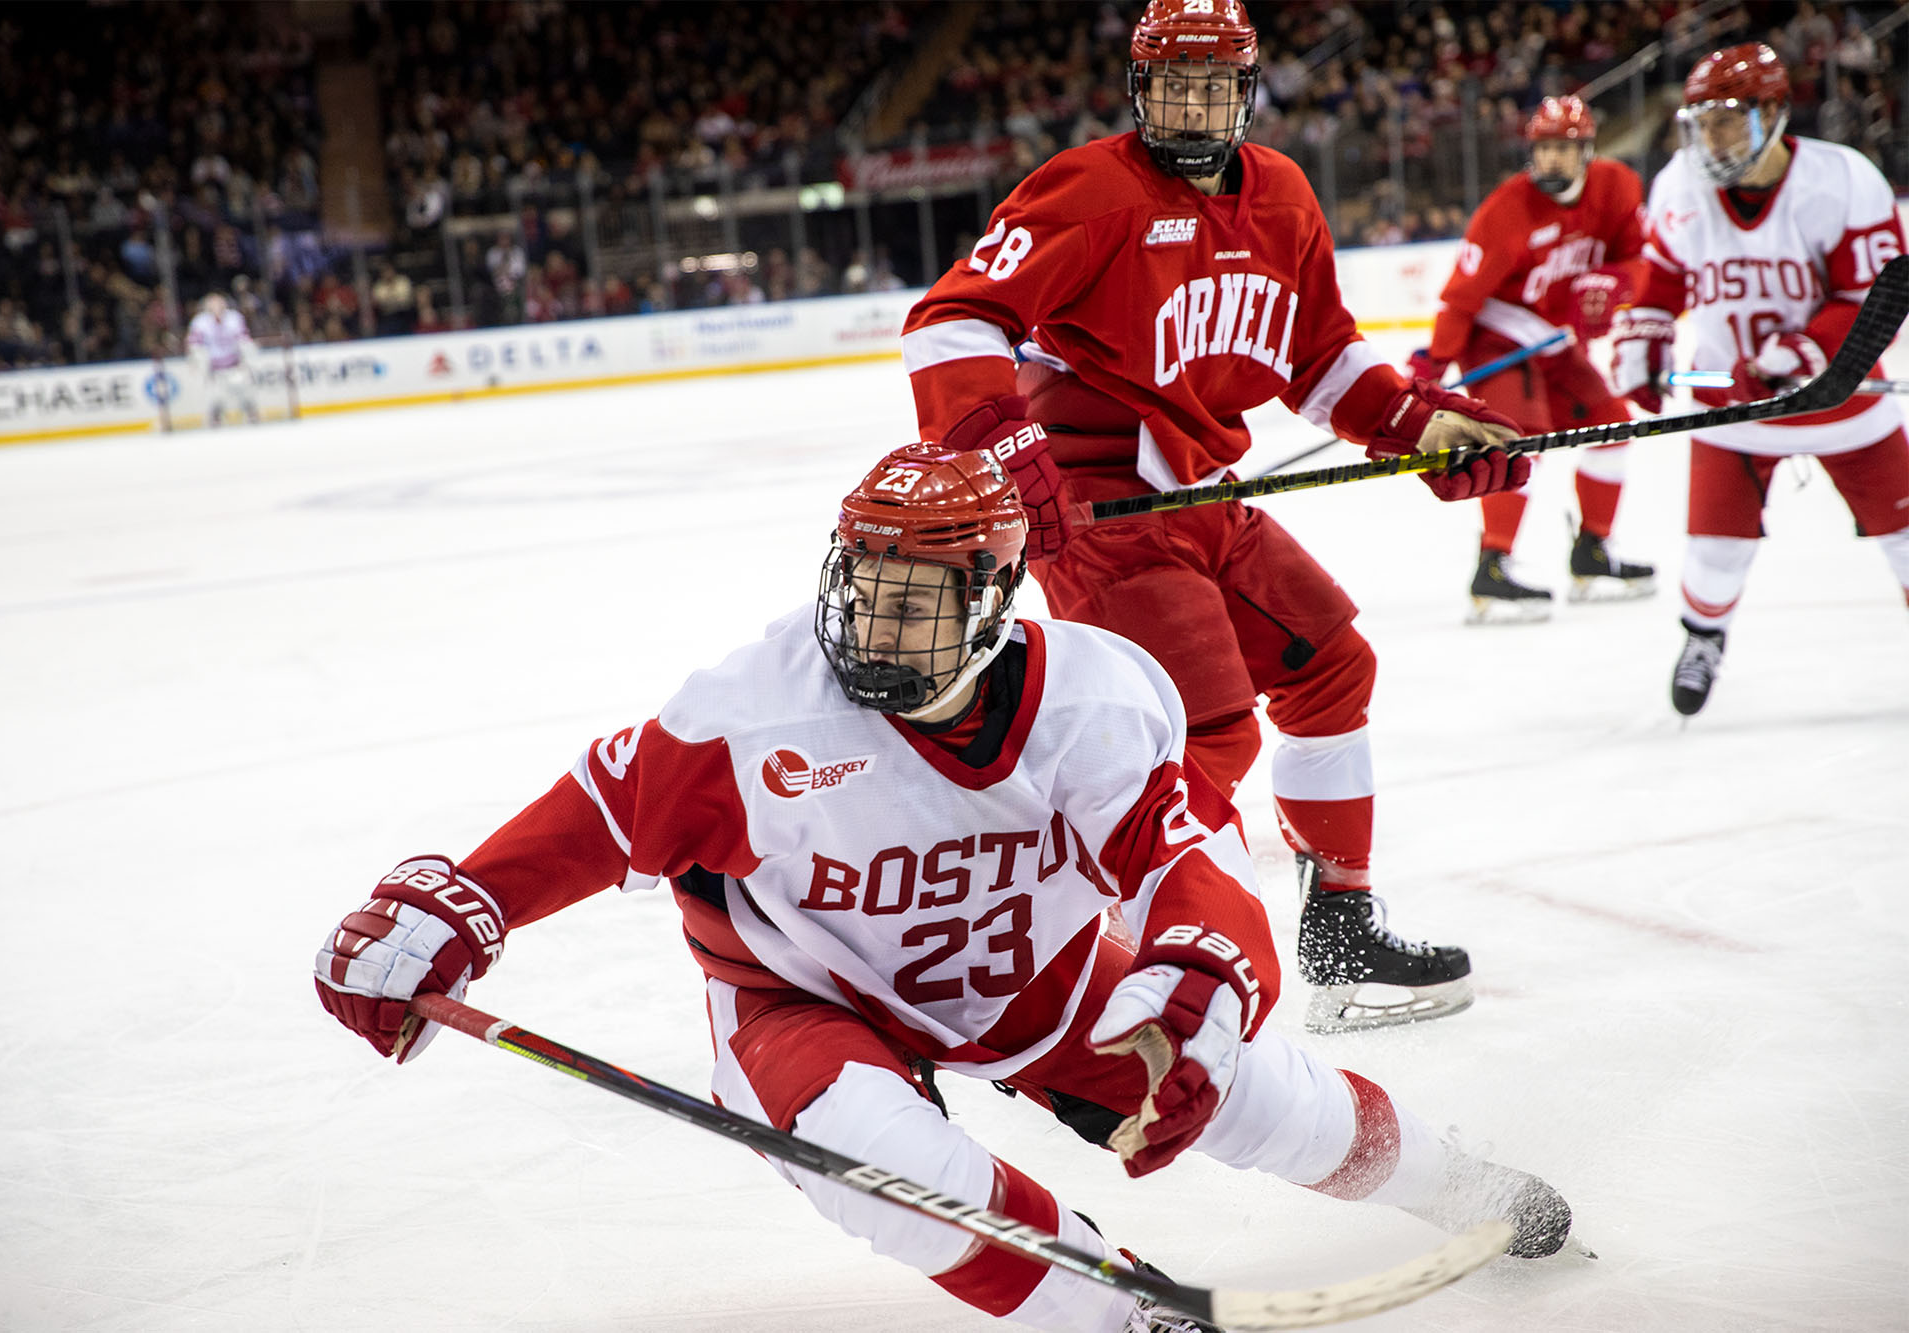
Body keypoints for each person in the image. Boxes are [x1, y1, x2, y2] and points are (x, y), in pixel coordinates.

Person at [313, 442, 1574, 1333]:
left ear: (992, 598)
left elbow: (1187, 859)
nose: (869, 627)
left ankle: (1460, 1187)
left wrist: (1199, 984)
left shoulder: (1091, 693)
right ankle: (1118, 1312)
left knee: (1256, 1096)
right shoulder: (753, 709)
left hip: (1035, 978)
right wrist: (455, 906)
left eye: (912, 602)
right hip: (803, 998)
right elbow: (600, 807)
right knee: (873, 1167)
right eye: (860, 589)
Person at [898, 0, 1531, 1032]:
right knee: (1202, 739)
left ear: (1245, 91)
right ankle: (1083, 959)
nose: (1190, 105)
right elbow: (950, 319)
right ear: (1139, 90)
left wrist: (1418, 424)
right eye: (1170, 83)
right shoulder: (1090, 188)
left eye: (1212, 84)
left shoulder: (1279, 193)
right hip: (1102, 510)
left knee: (1332, 666)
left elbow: (1320, 354)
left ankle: (1338, 927)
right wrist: (1005, 450)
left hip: (1207, 498)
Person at [1609, 42, 1909, 715]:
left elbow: (1879, 295)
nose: (1709, 137)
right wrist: (1645, 333)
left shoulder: (1843, 179)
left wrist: (1809, 349)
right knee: (1715, 550)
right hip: (1734, 410)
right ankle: (1703, 637)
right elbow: (1660, 277)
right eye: (1700, 121)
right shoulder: (1680, 182)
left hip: (1844, 402)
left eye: (1725, 119)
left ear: (1773, 111)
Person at [1411, 95, 1658, 624]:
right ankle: (1492, 565)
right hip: (1499, 335)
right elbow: (1462, 299)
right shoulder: (1506, 209)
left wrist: (1615, 284)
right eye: (1543, 148)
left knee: (1612, 423)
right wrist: (1432, 366)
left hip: (1554, 339)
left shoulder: (1617, 188)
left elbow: (1637, 257)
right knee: (1520, 435)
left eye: (1563, 149)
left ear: (1588, 150)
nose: (1550, 160)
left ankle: (1593, 550)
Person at [185, 291, 258, 427]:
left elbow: (243, 339)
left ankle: (251, 413)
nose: (217, 308)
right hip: (214, 368)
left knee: (246, 390)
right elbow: (194, 344)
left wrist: (248, 356)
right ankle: (215, 418)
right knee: (215, 397)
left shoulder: (234, 318)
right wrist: (197, 361)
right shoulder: (200, 322)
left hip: (234, 364)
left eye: (219, 303)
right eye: (213, 305)